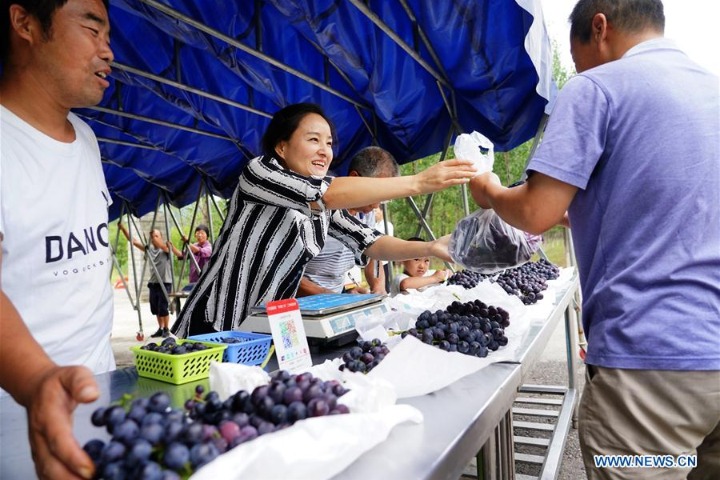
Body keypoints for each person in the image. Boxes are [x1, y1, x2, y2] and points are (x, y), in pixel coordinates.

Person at [468, 0, 720, 477]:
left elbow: (535, 212)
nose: (578, 67)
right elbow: (671, 204)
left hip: (651, 373)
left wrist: (489, 190)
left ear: (599, 27)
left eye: (577, 53)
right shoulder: (712, 89)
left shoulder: (596, 88)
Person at [172, 103, 477, 337]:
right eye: (313, 140)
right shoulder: (260, 172)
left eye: (329, 143)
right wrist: (418, 182)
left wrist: (432, 247)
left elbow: (372, 243)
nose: (324, 150)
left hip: (268, 327)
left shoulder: (324, 205)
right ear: (282, 146)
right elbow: (325, 193)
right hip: (217, 319)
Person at [0, 0, 114, 477]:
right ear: (25, 22)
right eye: (92, 28)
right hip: (19, 417)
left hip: (99, 399)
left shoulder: (85, 137)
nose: (108, 52)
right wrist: (38, 379)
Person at [298, 146, 399, 296]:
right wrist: (330, 297)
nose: (376, 206)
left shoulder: (367, 214)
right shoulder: (312, 207)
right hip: (297, 304)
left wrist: (378, 288)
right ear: (354, 178)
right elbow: (283, 270)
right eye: (375, 194)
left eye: (383, 198)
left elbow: (372, 255)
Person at [118, 223, 184, 337]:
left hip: (165, 282)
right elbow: (133, 240)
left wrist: (153, 238)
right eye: (153, 236)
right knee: (155, 309)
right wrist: (123, 228)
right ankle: (160, 328)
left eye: (156, 236)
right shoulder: (149, 250)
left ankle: (166, 329)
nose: (154, 238)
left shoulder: (165, 249)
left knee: (163, 308)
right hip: (153, 283)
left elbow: (168, 248)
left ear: (161, 237)